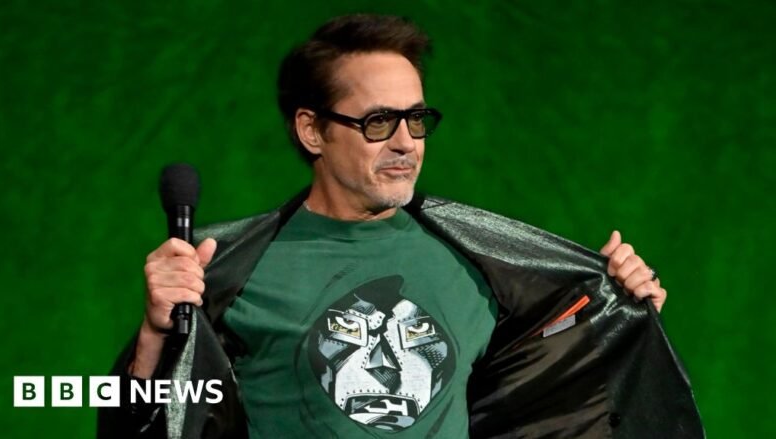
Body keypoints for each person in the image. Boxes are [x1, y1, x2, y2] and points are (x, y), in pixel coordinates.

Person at [99, 14, 702, 439]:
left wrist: (620, 305)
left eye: (416, 119)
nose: (406, 143)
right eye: (379, 122)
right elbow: (134, 417)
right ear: (312, 131)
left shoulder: (479, 261)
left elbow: (560, 375)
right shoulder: (226, 267)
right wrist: (154, 335)